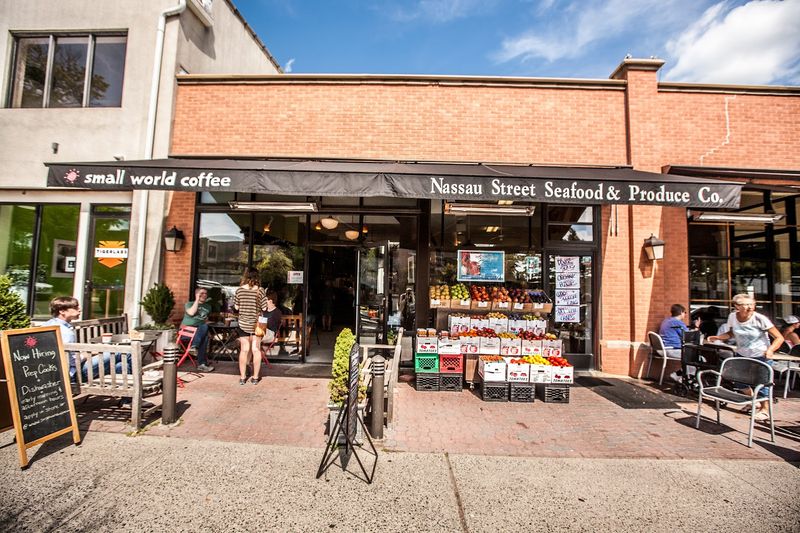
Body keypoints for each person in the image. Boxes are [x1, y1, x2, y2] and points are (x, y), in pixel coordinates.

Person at [708, 293, 784, 421]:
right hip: (742, 353)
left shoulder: (760, 318)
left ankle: (765, 410)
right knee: (738, 380)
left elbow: (779, 337)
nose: (750, 307)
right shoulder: (733, 317)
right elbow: (732, 333)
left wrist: (770, 350)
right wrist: (718, 337)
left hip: (760, 355)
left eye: (752, 304)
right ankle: (753, 401)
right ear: (737, 306)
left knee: (762, 383)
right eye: (745, 305)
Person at [233, 267, 266, 385]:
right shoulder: (260, 290)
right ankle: (255, 377)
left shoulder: (239, 290)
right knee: (256, 349)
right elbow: (265, 308)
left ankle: (242, 378)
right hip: (256, 325)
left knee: (244, 350)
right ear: (257, 277)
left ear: (245, 277)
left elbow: (236, 307)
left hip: (243, 324)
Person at [181, 287, 214, 372]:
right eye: (202, 293)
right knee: (204, 328)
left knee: (205, 334)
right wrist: (196, 300)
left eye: (206, 293)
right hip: (187, 331)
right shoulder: (189, 304)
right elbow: (191, 313)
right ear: (197, 294)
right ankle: (201, 361)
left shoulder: (208, 306)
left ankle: (195, 350)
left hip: (199, 331)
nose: (204, 295)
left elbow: (205, 319)